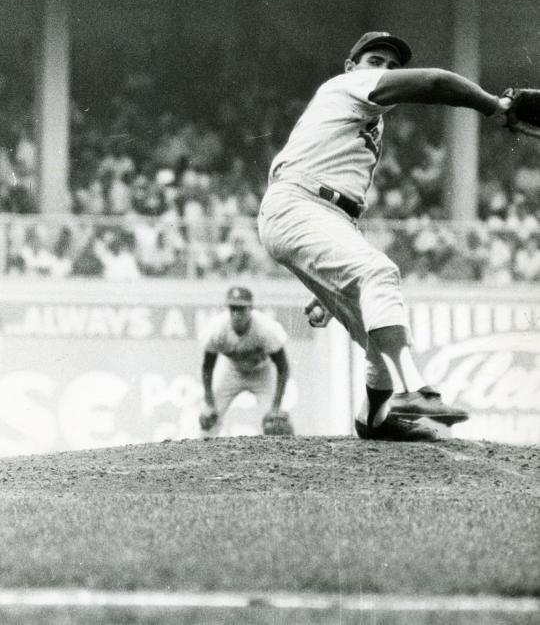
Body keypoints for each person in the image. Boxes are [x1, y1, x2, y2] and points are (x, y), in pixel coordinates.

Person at [258, 31, 513, 442]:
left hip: (321, 215)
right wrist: (493, 106)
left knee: (376, 337)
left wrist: (326, 287)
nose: (385, 71)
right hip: (298, 204)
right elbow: (433, 82)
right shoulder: (348, 86)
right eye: (376, 61)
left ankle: (374, 419)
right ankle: (413, 393)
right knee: (379, 272)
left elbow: (337, 210)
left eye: (393, 67)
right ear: (352, 67)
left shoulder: (365, 121)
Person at [199, 286, 291, 436]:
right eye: (233, 308)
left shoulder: (265, 329)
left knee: (275, 424)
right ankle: (201, 456)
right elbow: (207, 367)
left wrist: (276, 407)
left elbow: (283, 367)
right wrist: (209, 404)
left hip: (262, 373)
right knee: (208, 418)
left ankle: (288, 457)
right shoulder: (217, 329)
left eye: (241, 309)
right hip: (232, 371)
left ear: (250, 309)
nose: (237, 314)